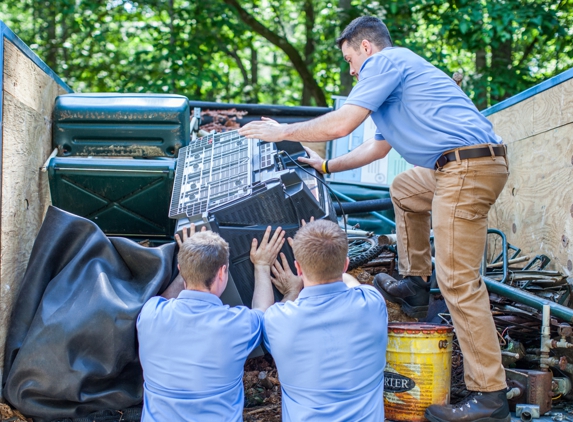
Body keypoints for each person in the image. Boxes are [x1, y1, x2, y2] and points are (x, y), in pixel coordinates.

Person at [239, 15, 510, 422]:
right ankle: (416, 283)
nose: (350, 70)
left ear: (365, 47)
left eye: (349, 59)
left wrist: (281, 133)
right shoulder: (393, 87)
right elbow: (376, 150)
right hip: (455, 166)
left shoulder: (385, 63)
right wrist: (327, 168)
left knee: (457, 281)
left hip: (466, 169)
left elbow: (343, 122)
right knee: (404, 188)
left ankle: (490, 396)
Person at [136, 225, 284, 421]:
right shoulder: (237, 325)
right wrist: (263, 265)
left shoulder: (149, 314)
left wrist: (188, 266)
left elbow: (165, 299)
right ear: (222, 273)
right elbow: (264, 313)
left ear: (181, 270)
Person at [262, 219, 388, 421]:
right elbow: (351, 283)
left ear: (298, 268)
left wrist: (291, 288)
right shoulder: (372, 303)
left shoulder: (278, 321)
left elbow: (261, 314)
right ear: (346, 264)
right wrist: (327, 255)